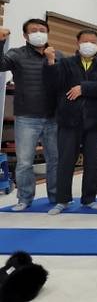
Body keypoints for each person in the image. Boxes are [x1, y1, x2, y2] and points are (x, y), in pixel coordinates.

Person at [45, 29, 97, 215]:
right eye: (85, 41)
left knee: (93, 162)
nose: (89, 44)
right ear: (77, 43)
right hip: (69, 120)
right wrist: (51, 63)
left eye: (93, 41)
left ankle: (89, 198)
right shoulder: (65, 63)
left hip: (95, 121)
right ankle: (62, 200)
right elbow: (53, 85)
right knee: (65, 161)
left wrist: (83, 88)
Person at [0, 20, 60, 211]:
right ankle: (24, 198)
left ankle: (56, 197)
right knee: (25, 161)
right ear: (25, 36)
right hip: (27, 116)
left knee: (55, 159)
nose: (38, 33)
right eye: (33, 31)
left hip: (53, 116)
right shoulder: (17, 54)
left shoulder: (57, 55)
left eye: (42, 30)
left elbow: (64, 81)